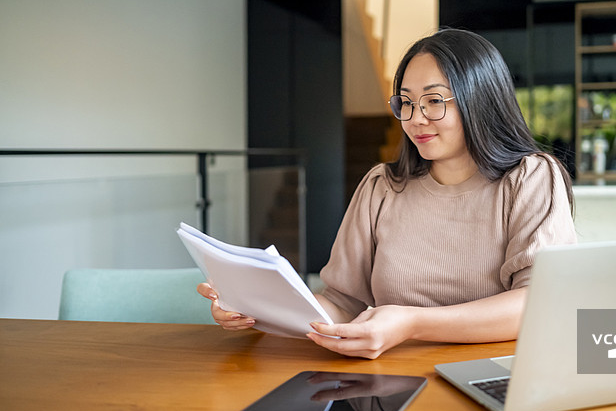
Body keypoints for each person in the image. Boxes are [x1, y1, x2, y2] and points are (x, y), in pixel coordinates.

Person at [198, 28, 577, 359]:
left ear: (480, 99)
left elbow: (539, 302)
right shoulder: (382, 185)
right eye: (406, 103)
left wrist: (412, 323)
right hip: (390, 377)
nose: (415, 119)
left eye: (433, 101)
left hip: (494, 374)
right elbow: (343, 303)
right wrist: (256, 308)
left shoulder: (530, 177)